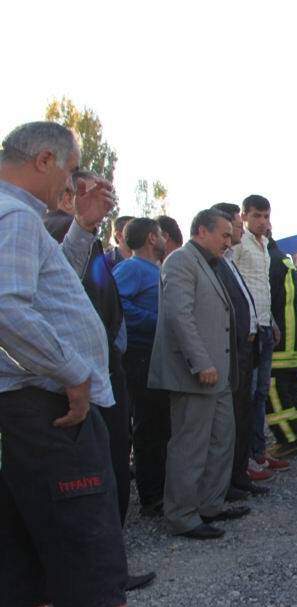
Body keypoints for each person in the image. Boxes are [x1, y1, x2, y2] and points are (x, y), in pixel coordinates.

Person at [0, 120, 189, 607]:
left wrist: (82, 227)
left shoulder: (15, 217)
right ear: (46, 158)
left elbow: (50, 286)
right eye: (71, 170)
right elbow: (7, 305)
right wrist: (72, 372)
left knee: (21, 552)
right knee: (85, 546)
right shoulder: (14, 214)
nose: (72, 181)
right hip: (48, 407)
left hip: (21, 411)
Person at [150, 208, 248, 539]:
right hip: (196, 374)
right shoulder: (180, 261)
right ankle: (181, 515)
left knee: (222, 440)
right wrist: (200, 362)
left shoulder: (210, 263)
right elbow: (179, 316)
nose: (229, 239)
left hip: (219, 374)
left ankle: (210, 505)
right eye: (223, 234)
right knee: (190, 446)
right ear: (202, 231)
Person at [60, 176, 133, 526]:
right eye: (84, 190)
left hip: (106, 363)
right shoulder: (55, 231)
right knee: (99, 461)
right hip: (83, 371)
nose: (96, 197)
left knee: (114, 451)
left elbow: (106, 298)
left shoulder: (86, 239)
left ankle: (112, 546)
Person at [212, 202, 272, 495]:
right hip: (234, 345)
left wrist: (268, 320)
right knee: (237, 406)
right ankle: (237, 470)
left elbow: (255, 292)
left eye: (266, 216)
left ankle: (246, 463)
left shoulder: (258, 249)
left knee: (253, 400)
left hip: (256, 334)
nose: (236, 230)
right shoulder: (228, 255)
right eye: (237, 223)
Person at [113, 217, 171, 516]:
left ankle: (162, 488)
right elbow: (118, 306)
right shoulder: (131, 269)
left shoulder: (154, 269)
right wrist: (158, 322)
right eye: (160, 234)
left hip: (156, 355)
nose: (164, 238)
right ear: (151, 238)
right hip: (140, 356)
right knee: (148, 426)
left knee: (161, 424)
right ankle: (151, 497)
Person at [232, 195, 280, 468]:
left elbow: (262, 289)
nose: (263, 221)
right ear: (244, 216)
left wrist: (271, 321)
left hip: (263, 327)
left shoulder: (264, 245)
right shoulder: (239, 245)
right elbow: (236, 286)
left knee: (261, 393)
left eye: (266, 215)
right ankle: (246, 456)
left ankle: (259, 451)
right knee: (247, 395)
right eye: (257, 216)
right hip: (246, 331)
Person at [266, 233, 297, 456]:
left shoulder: (268, 259)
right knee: (291, 393)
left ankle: (288, 440)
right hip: (293, 339)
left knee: (274, 393)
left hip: (279, 341)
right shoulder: (282, 257)